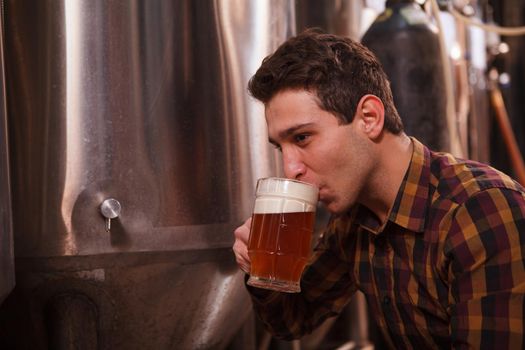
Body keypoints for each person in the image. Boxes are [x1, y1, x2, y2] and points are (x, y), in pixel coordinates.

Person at [232, 29, 525, 349]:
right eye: (281, 147)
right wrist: (260, 269)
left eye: (302, 137)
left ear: (369, 117)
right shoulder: (355, 220)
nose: (290, 168)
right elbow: (292, 319)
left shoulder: (481, 211)